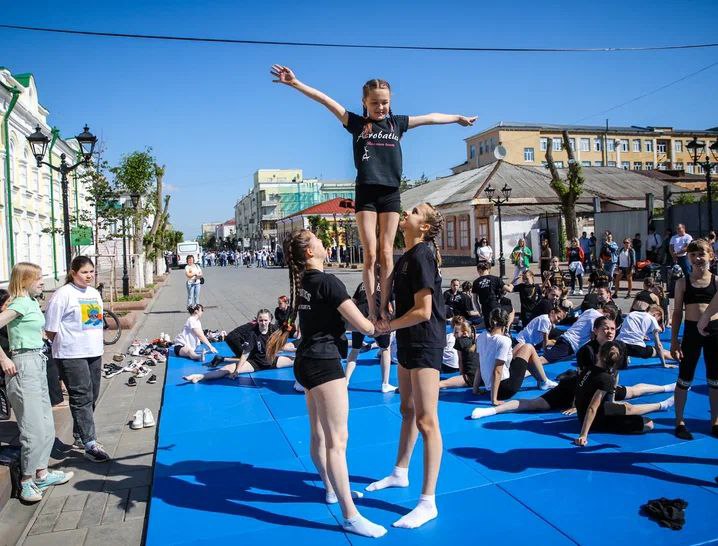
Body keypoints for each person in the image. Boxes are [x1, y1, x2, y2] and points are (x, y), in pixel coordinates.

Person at [272, 65, 476, 328]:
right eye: (375, 103)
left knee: (387, 252)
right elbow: (326, 101)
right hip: (366, 193)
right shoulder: (357, 123)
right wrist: (296, 83)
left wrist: (457, 117)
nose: (381, 107)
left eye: (385, 102)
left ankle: (385, 304)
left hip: (390, 193)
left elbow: (430, 117)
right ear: (365, 103)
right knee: (370, 253)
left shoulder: (397, 123)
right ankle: (372, 307)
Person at [265, 229, 387, 538]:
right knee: (337, 442)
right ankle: (350, 515)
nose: (323, 241)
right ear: (310, 252)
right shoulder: (329, 283)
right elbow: (364, 326)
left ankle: (333, 490)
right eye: (316, 238)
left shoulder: (302, 283)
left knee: (319, 434)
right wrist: (390, 319)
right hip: (323, 364)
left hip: (306, 364)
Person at [366, 203, 446, 530]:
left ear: (423, 226)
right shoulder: (406, 257)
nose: (406, 212)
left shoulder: (423, 254)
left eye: (414, 211)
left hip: (425, 340)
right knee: (407, 408)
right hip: (408, 340)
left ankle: (428, 502)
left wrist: (389, 326)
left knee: (427, 420)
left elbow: (424, 310)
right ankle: (400, 472)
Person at [471, 315, 674, 420]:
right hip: (576, 388)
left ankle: (667, 390)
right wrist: (577, 404)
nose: (610, 332)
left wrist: (610, 398)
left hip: (601, 389)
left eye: (613, 328)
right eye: (605, 328)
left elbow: (615, 374)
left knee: (633, 392)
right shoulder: (587, 351)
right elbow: (582, 379)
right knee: (535, 404)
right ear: (595, 331)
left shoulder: (619, 347)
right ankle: (492, 412)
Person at [0, 263, 74, 502]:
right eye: (39, 278)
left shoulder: (31, 302)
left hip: (38, 362)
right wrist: (3, 359)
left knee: (45, 425)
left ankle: (42, 473)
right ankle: (26, 481)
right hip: (23, 365)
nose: (43, 281)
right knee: (32, 428)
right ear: (25, 281)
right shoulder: (19, 302)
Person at [44, 256, 110, 463]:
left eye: (91, 271)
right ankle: (90, 443)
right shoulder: (62, 295)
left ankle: (80, 435)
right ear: (73, 273)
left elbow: (97, 323)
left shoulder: (93, 293)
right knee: (81, 396)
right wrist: (63, 345)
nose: (89, 275)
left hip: (93, 351)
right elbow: (51, 329)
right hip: (71, 353)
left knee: (92, 394)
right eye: (84, 272)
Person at [574, 342, 674, 446]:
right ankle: (662, 405)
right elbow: (592, 408)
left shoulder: (588, 370)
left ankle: (662, 402)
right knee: (649, 424)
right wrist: (583, 434)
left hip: (587, 413)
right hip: (597, 420)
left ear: (599, 354)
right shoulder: (605, 378)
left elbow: (578, 392)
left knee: (627, 405)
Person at [670, 239, 718, 440]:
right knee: (685, 376)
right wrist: (674, 340)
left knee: (715, 379)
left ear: (711, 256)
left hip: (715, 332)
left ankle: (715, 420)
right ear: (688, 259)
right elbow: (677, 313)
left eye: (702, 254)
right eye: (693, 255)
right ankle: (679, 420)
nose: (698, 258)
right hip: (691, 332)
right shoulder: (683, 282)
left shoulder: (716, 281)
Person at [183, 310, 295, 383]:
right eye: (261, 320)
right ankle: (200, 376)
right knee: (227, 369)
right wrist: (237, 370)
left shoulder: (274, 330)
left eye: (266, 320)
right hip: (255, 363)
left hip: (272, 360)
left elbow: (281, 346)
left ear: (270, 320)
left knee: (297, 361)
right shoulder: (252, 334)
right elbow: (245, 353)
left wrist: (295, 350)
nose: (263, 322)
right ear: (257, 320)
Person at [472, 308, 557, 405]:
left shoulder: (481, 337)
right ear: (506, 323)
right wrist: (494, 400)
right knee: (529, 347)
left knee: (521, 345)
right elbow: (497, 371)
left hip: (491, 386)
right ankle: (544, 381)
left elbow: (480, 365)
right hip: (504, 389)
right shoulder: (504, 340)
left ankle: (542, 380)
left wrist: (475, 389)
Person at [345, 280, 395, 392]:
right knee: (385, 349)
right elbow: (392, 307)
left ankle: (346, 381)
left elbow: (353, 302)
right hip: (378, 315)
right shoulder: (386, 285)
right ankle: (385, 384)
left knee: (355, 350)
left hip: (361, 315)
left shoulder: (362, 284)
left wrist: (352, 320)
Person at [543, 303, 617, 363]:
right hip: (570, 343)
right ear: (608, 315)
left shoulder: (590, 310)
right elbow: (593, 335)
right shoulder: (599, 318)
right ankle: (532, 365)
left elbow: (578, 321)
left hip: (565, 337)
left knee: (550, 356)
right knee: (545, 359)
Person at [472, 261, 514, 328]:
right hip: (495, 306)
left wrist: (480, 311)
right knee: (511, 309)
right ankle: (507, 327)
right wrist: (511, 285)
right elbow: (509, 290)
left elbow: (475, 300)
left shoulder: (476, 282)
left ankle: (475, 328)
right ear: (489, 269)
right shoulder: (496, 279)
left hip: (485, 308)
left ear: (478, 270)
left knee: (488, 325)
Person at [439, 318, 479, 389]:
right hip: (479, 377)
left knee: (442, 383)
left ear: (464, 332)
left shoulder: (460, 342)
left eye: (456, 332)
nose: (454, 335)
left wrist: (461, 375)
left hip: (469, 377)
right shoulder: (475, 339)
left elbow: (460, 361)